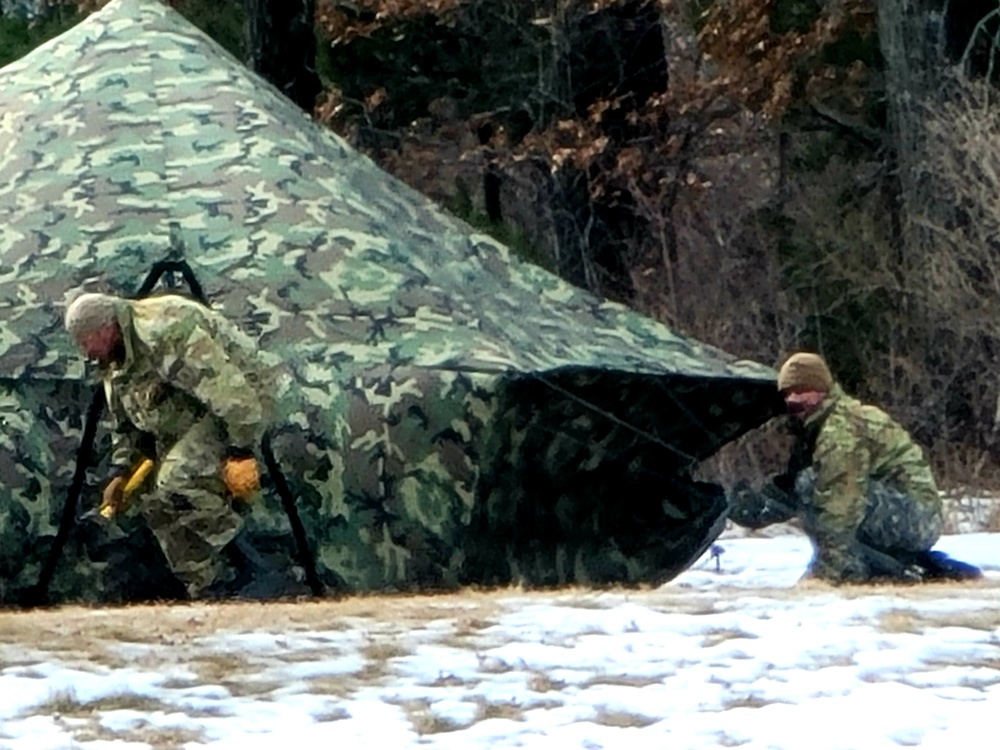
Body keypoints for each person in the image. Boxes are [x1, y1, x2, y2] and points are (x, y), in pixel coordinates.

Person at [64, 291, 270, 598]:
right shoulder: (113, 356)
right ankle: (209, 588)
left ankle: (256, 565)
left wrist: (241, 449)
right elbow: (125, 419)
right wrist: (122, 470)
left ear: (106, 330)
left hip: (240, 404)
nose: (85, 352)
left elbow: (230, 391)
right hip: (184, 416)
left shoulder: (163, 331)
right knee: (153, 501)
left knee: (177, 479)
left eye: (85, 341)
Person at [729, 351, 981, 584]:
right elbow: (794, 490)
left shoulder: (840, 429)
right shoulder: (824, 423)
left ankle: (854, 568)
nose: (794, 399)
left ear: (822, 389)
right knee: (808, 484)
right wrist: (755, 507)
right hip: (908, 513)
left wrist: (827, 573)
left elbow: (841, 503)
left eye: (803, 390)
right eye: (788, 393)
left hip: (916, 518)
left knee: (813, 485)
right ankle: (893, 565)